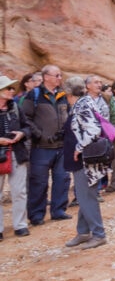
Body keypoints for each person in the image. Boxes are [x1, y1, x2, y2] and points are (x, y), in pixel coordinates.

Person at [21, 64, 72, 225]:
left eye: (60, 75)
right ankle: (36, 215)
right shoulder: (34, 95)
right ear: (46, 77)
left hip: (61, 146)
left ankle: (58, 210)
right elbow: (25, 119)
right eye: (56, 75)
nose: (59, 78)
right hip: (41, 147)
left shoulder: (63, 95)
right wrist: (40, 135)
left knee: (62, 179)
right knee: (38, 182)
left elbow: (69, 115)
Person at [61, 75, 107, 250]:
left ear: (68, 91)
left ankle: (98, 234)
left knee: (87, 196)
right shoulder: (83, 103)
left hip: (85, 160)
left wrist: (79, 147)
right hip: (84, 159)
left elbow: (93, 130)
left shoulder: (82, 105)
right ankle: (83, 232)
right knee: (84, 195)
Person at [0, 75, 31, 239]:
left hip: (16, 153)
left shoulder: (16, 108)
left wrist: (21, 133)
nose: (12, 91)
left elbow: (27, 127)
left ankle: (20, 225)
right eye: (8, 88)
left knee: (19, 191)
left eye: (12, 88)